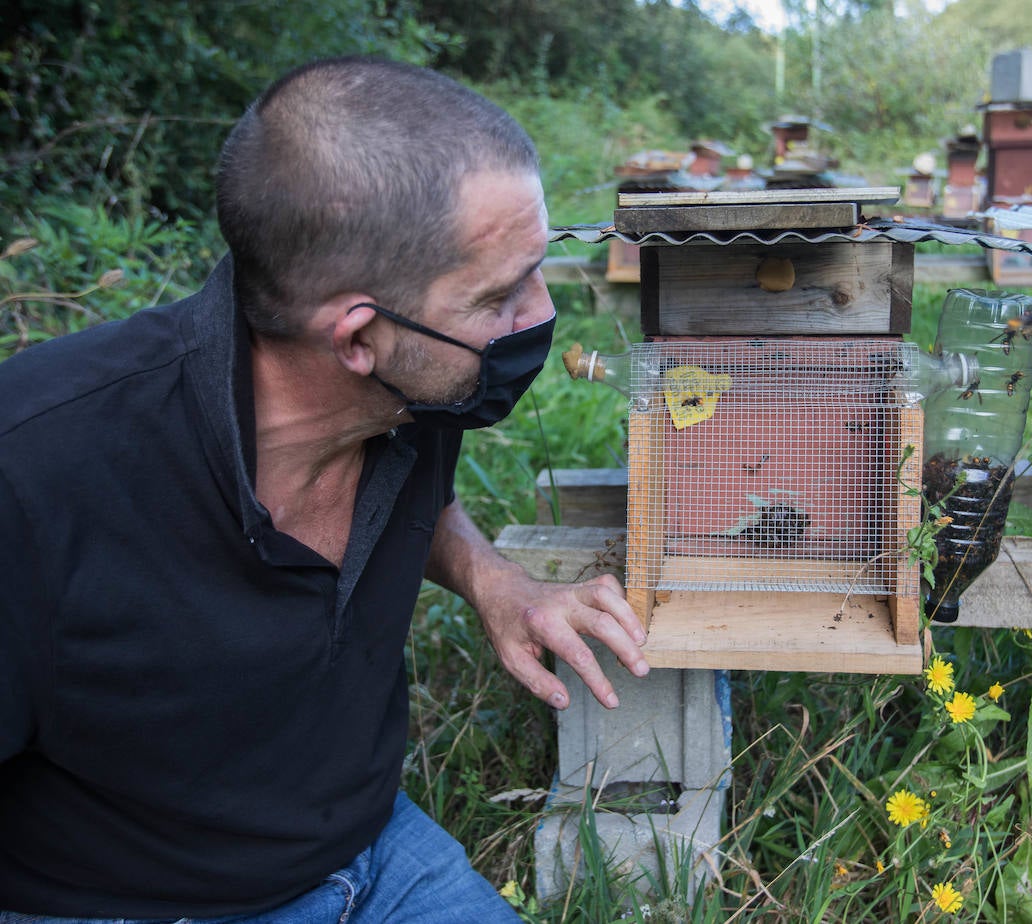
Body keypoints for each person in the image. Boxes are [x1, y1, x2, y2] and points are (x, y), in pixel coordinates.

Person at [0, 56, 649, 922]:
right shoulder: (35, 477)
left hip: (377, 852)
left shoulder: (422, 390)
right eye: (500, 295)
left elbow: (418, 505)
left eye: (539, 268)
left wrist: (499, 584)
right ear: (356, 339)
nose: (540, 318)